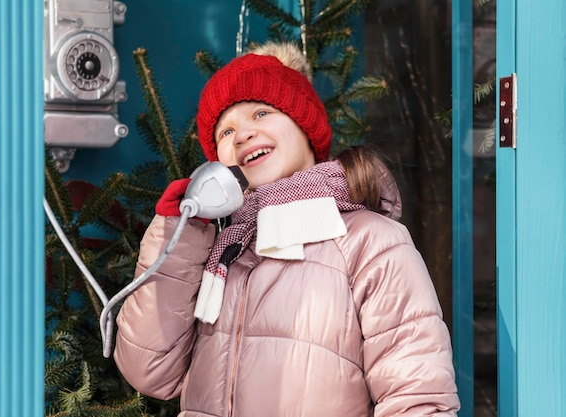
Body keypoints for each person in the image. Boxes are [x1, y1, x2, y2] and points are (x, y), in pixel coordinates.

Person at [114, 41, 460, 416]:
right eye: (225, 133)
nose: (243, 134)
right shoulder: (223, 250)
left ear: (306, 127)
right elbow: (150, 372)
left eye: (261, 113)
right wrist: (177, 238)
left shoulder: (369, 243)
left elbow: (417, 396)